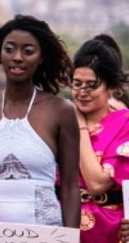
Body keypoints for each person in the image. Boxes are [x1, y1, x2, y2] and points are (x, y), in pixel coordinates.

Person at [0, 15, 79, 228]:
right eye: (10, 49)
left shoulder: (61, 111)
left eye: (28, 51)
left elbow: (70, 187)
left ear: (41, 57)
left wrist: (71, 239)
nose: (17, 57)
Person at [72, 35, 129, 241]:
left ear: (111, 87)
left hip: (109, 231)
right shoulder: (59, 119)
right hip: (63, 225)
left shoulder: (125, 124)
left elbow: (96, 184)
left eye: (91, 85)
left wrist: (79, 125)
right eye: (77, 84)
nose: (82, 92)